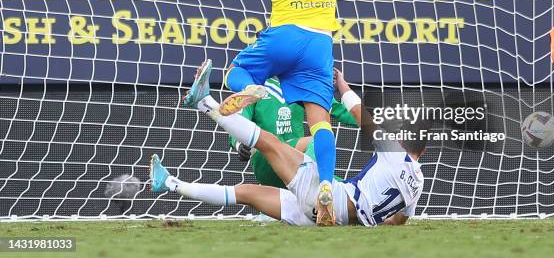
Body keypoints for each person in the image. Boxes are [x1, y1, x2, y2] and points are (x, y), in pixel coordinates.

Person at [160, 0, 342, 226]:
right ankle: (326, 183)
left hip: (287, 33)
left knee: (235, 74)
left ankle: (251, 90)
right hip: (322, 43)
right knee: (319, 122)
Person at [150, 60, 427, 226]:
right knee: (246, 191)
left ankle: (203, 103)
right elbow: (398, 220)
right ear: (422, 149)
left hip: (322, 196)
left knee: (268, 143)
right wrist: (368, 221)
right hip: (331, 217)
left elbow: (356, 112)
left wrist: (342, 85)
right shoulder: (418, 183)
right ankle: (171, 183)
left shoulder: (392, 151)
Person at [231, 73, 358, 189]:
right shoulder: (253, 86)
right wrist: (239, 143)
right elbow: (239, 118)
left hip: (294, 162)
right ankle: (317, 184)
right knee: (319, 138)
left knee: (348, 191)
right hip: (265, 158)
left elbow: (342, 111)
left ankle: (323, 191)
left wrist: (373, 118)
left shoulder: (303, 86)